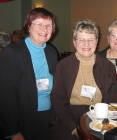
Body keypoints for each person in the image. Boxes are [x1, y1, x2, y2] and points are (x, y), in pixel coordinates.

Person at [50, 19, 117, 140]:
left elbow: (113, 99)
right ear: (74, 42)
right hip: (69, 120)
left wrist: (105, 123)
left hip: (100, 119)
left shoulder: (107, 66)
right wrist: (73, 128)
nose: (86, 44)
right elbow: (59, 102)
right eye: (81, 40)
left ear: (96, 41)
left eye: (90, 39)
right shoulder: (63, 66)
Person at [0, 7, 58, 140]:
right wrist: (13, 131)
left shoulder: (51, 52)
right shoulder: (12, 53)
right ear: (28, 27)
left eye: (48, 25)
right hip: (22, 119)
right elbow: (5, 96)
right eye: (39, 24)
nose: (44, 29)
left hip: (47, 118)